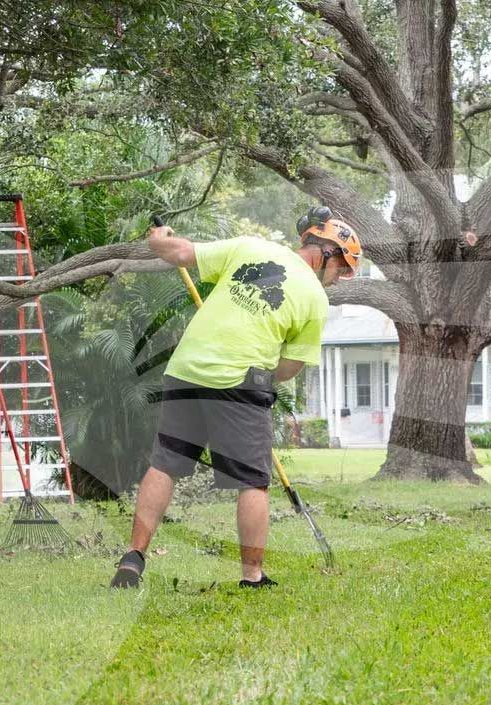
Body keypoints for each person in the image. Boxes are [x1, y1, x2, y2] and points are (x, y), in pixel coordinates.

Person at [110, 208, 361, 589]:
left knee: (164, 466)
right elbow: (290, 367)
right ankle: (252, 576)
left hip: (186, 370)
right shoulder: (314, 299)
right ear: (327, 251)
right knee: (252, 483)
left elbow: (177, 252)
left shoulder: (250, 247)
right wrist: (260, 374)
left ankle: (133, 557)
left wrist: (158, 237)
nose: (339, 279)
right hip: (241, 383)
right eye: (342, 268)